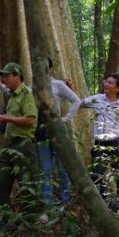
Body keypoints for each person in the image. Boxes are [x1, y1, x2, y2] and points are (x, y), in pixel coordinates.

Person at [0, 62, 40, 210]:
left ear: (17, 76)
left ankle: (29, 225)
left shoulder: (27, 94)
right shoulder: (12, 95)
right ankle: (4, 222)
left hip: (24, 146)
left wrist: (3, 118)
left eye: (7, 76)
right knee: (1, 185)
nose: (4, 79)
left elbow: (30, 119)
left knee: (26, 186)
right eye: (3, 76)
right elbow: (8, 114)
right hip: (9, 146)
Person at [80, 74, 119, 209]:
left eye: (110, 83)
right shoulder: (97, 99)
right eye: (106, 82)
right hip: (100, 144)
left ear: (118, 88)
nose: (106, 84)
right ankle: (102, 206)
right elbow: (79, 103)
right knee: (96, 176)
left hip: (118, 144)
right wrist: (68, 88)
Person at [36, 58, 80, 204]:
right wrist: (2, 86)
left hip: (58, 131)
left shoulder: (58, 84)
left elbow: (76, 101)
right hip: (41, 131)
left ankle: (65, 200)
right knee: (46, 170)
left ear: (50, 69)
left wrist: (66, 119)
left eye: (45, 68)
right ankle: (47, 203)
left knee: (62, 168)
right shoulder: (33, 86)